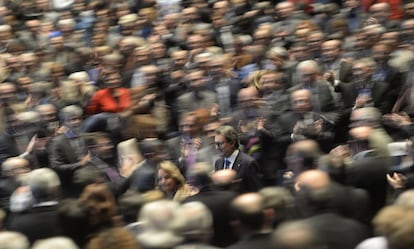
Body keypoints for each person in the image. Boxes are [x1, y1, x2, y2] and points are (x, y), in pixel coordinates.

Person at [49, 105, 90, 198]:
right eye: (73, 119)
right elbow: (56, 167)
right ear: (64, 122)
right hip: (71, 185)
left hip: (90, 181)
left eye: (79, 118)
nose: (78, 122)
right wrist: (80, 164)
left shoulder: (87, 137)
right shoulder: (57, 142)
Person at [214, 125, 263, 193]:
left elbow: (256, 191)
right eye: (215, 144)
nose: (217, 147)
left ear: (232, 143)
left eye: (220, 144)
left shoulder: (248, 163)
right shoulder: (218, 163)